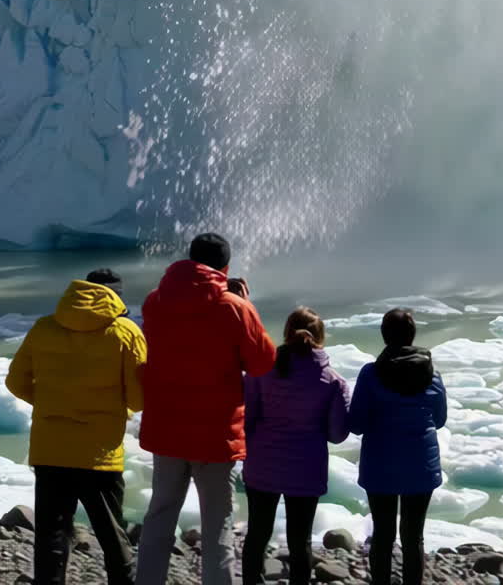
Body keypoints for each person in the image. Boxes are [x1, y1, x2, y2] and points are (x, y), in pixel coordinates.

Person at [136, 232, 277, 585]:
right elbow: (262, 362)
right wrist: (247, 304)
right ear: (225, 266)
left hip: (166, 428)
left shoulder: (155, 301)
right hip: (216, 435)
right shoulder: (233, 306)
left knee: (159, 516)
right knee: (217, 527)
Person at [5, 272, 147, 585]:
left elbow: (15, 381)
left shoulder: (45, 327)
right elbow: (139, 399)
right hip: (100, 452)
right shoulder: (125, 332)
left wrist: (49, 403)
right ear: (116, 298)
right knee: (113, 537)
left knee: (51, 535)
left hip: (50, 448)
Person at [242, 306, 351, 585]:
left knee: (256, 534)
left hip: (262, 465)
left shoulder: (261, 370)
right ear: (320, 337)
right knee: (299, 540)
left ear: (287, 333)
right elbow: (337, 434)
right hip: (305, 469)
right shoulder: (332, 381)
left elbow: (247, 419)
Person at [348, 308, 447, 585]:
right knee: (414, 535)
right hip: (420, 466)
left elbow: (356, 422)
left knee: (382, 534)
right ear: (412, 335)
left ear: (384, 335)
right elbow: (439, 420)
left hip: (380, 465)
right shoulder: (432, 375)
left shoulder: (370, 375)